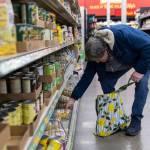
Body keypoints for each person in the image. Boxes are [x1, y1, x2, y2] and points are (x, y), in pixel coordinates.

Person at [67, 24, 150, 136]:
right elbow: (87, 76)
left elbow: (148, 45)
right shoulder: (94, 51)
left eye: (99, 59)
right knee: (106, 81)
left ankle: (136, 120)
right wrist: (73, 97)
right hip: (121, 62)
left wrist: (140, 70)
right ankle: (114, 115)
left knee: (142, 85)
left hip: (141, 57)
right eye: (95, 60)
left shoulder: (122, 34)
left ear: (105, 49)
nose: (97, 62)